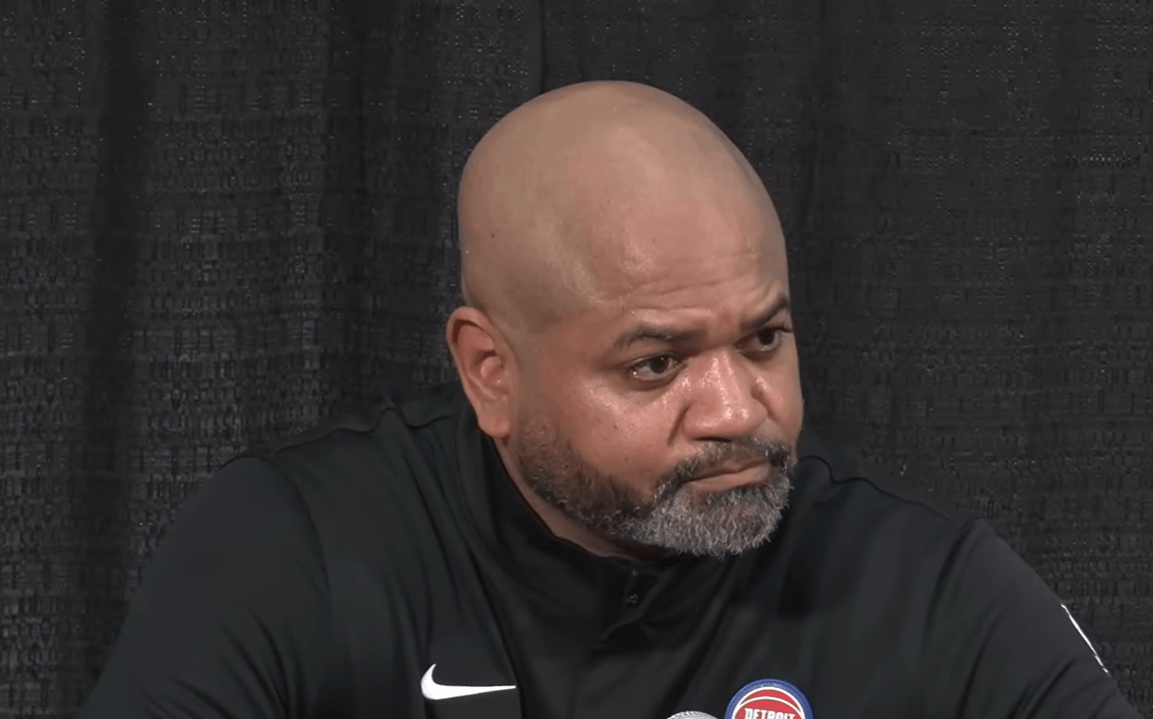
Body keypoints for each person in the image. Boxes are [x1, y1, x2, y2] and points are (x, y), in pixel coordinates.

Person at [78, 81, 1139, 719]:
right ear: (490, 372)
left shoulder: (924, 583)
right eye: (655, 365)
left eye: (762, 339)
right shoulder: (297, 544)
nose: (736, 411)